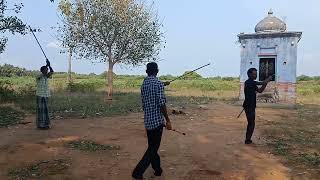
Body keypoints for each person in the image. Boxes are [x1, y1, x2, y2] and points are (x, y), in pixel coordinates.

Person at [132, 62, 172, 180]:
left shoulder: (144, 83)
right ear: (157, 71)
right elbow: (161, 103)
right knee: (152, 149)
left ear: (147, 71)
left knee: (152, 148)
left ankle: (158, 170)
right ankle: (137, 172)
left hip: (148, 121)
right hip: (157, 123)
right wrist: (168, 120)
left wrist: (163, 84)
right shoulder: (158, 84)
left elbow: (152, 91)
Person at [243, 68, 272, 144]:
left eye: (256, 74)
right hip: (249, 106)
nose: (255, 75)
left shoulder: (252, 83)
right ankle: (247, 139)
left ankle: (248, 139)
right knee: (251, 123)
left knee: (251, 123)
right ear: (249, 74)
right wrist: (267, 80)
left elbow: (260, 90)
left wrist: (266, 83)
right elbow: (261, 83)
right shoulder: (249, 82)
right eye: (254, 74)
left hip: (251, 105)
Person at [36, 59, 54, 130]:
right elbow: (43, 73)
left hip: (46, 95)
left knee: (46, 110)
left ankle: (46, 124)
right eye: (46, 70)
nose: (47, 71)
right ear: (42, 70)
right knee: (40, 110)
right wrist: (47, 65)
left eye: (47, 70)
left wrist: (49, 65)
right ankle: (40, 125)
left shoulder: (47, 76)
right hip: (40, 95)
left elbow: (52, 72)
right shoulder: (38, 76)